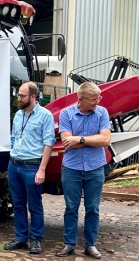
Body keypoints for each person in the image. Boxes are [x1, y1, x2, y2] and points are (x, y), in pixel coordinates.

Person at [55, 82, 110, 259]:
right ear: (81, 99)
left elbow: (105, 140)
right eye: (93, 99)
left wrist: (79, 139)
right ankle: (69, 244)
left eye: (98, 98)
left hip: (95, 168)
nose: (97, 102)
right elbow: (66, 141)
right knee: (71, 208)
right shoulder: (66, 114)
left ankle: (90, 245)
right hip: (72, 168)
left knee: (92, 208)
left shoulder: (102, 112)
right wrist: (91, 139)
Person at [3, 82, 55, 255]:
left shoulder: (45, 115)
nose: (19, 98)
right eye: (18, 95)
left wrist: (42, 169)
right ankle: (21, 238)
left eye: (22, 96)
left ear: (33, 96)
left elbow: (49, 143)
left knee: (34, 205)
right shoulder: (18, 115)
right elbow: (13, 138)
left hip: (32, 166)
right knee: (18, 204)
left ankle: (36, 239)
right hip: (15, 164)